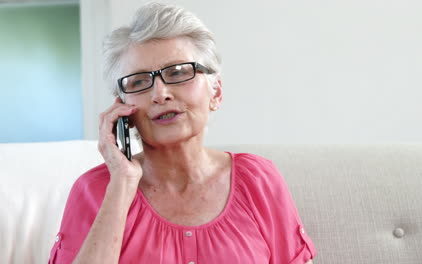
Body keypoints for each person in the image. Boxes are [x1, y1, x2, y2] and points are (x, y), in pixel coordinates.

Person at [48, 2, 316, 263]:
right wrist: (122, 183)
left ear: (216, 92)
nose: (160, 94)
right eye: (139, 81)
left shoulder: (259, 180)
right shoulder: (94, 191)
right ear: (120, 108)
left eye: (177, 72)